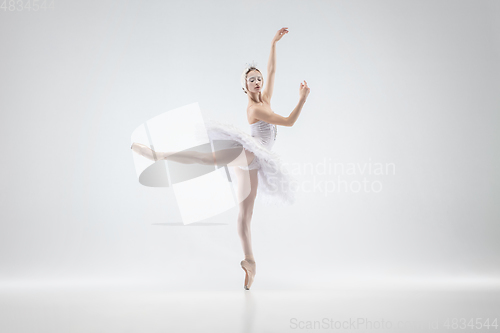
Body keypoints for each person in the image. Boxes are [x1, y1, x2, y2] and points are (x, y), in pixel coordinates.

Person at [131, 27, 310, 290]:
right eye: (252, 80)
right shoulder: (256, 108)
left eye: (258, 78)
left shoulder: (266, 99)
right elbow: (289, 122)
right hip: (249, 152)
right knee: (208, 159)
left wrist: (273, 43)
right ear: (245, 87)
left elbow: (272, 70)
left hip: (255, 163)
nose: (258, 81)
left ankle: (250, 262)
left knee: (244, 215)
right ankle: (159, 154)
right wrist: (302, 100)